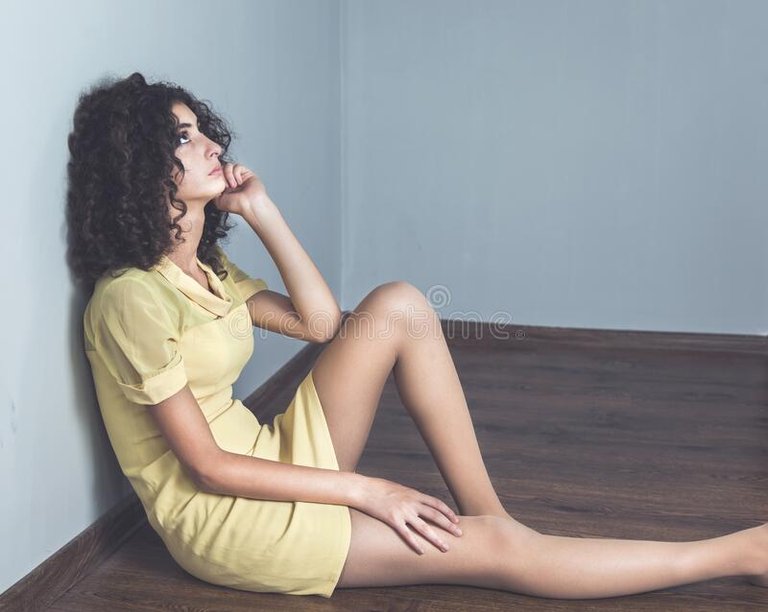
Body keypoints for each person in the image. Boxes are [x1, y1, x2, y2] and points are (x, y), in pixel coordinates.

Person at [65, 71, 768, 600]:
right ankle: (739, 555)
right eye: (186, 138)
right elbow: (206, 470)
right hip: (231, 518)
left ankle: (493, 524)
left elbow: (321, 325)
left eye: (202, 128)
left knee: (399, 305)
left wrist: (263, 212)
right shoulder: (131, 301)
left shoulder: (203, 266)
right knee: (493, 549)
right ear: (140, 168)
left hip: (272, 454)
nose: (214, 144)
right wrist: (366, 491)